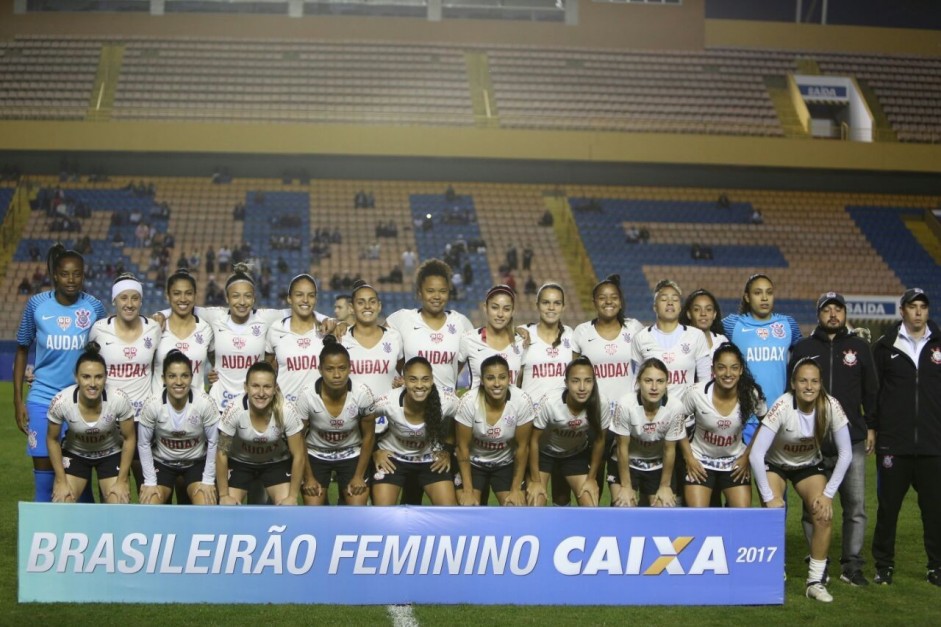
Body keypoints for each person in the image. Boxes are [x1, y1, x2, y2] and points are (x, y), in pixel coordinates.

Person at [790, 292, 878, 586]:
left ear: (844, 313)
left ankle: (852, 565)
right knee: (812, 506)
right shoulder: (803, 347)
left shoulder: (859, 347)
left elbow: (871, 391)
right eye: (826, 309)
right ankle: (820, 561)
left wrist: (872, 427)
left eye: (837, 309)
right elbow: (792, 392)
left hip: (851, 439)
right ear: (818, 314)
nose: (832, 314)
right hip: (811, 440)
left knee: (855, 506)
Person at [749, 358, 852, 603]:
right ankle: (774, 571)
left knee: (823, 514)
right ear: (793, 384)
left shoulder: (830, 405)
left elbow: (846, 453)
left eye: (814, 381)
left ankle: (814, 582)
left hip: (807, 465)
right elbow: (756, 454)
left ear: (821, 384)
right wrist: (768, 497)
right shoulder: (783, 405)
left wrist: (828, 495)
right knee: (773, 512)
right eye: (803, 381)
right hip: (775, 465)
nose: (809, 386)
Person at [14, 244, 107, 501]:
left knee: (80, 475)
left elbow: (105, 350)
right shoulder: (37, 305)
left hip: (82, 402)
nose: (71, 280)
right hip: (43, 398)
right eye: (65, 274)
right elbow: (22, 348)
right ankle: (40, 539)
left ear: (84, 275)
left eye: (77, 274)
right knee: (44, 476)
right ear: (55, 274)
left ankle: (85, 536)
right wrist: (18, 399)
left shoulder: (94, 307)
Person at [870, 288, 941, 587]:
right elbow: (873, 393)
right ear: (902, 311)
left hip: (933, 443)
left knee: (935, 511)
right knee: (888, 510)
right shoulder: (885, 346)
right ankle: (883, 566)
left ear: (927, 311)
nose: (918, 312)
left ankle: (936, 568)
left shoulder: (939, 344)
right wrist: (872, 427)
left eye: (922, 307)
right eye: (912, 307)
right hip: (893, 444)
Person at [46, 344, 137, 503]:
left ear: (106, 377)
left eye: (98, 377)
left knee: (119, 502)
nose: (93, 383)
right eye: (86, 376)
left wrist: (122, 480)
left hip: (110, 453)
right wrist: (61, 481)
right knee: (62, 500)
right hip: (76, 453)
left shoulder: (118, 399)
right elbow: (52, 439)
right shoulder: (61, 402)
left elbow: (129, 438)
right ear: (76, 377)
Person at [293, 337, 377, 506]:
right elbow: (299, 438)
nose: (337, 375)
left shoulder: (362, 394)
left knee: (357, 506)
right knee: (313, 506)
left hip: (351, 452)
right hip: (316, 453)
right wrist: (308, 477)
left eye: (342, 368)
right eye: (330, 369)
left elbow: (369, 436)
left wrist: (359, 476)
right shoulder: (307, 395)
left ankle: (343, 501)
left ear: (350, 368)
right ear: (320, 370)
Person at [681, 342, 766, 507]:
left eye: (734, 367)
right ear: (713, 371)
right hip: (700, 461)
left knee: (741, 516)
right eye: (722, 367)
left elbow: (767, 423)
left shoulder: (750, 393)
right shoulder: (696, 393)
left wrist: (747, 455)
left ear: (741, 370)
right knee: (698, 517)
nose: (728, 373)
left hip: (734, 463)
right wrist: (689, 458)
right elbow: (676, 423)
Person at [370, 357, 459, 506]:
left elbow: (464, 419)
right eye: (412, 379)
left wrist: (447, 450)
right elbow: (361, 419)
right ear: (403, 380)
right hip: (393, 457)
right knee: (382, 512)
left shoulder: (447, 401)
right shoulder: (388, 401)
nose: (419, 385)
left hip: (430, 458)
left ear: (432, 380)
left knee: (449, 511)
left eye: (425, 379)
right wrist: (375, 451)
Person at [723, 273, 802, 443]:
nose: (764, 298)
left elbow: (804, 354)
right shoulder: (733, 324)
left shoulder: (788, 324)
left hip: (779, 414)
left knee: (773, 469)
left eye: (769, 292)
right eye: (758, 293)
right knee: (743, 468)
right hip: (743, 415)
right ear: (747, 297)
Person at [216, 361, 306, 505]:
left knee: (286, 507)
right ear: (246, 387)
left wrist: (292, 497)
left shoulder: (286, 410)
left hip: (275, 463)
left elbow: (299, 455)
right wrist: (224, 495)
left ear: (275, 388)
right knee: (229, 507)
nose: (261, 393)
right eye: (255, 386)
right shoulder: (233, 410)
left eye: (267, 387)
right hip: (240, 463)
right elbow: (221, 453)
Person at [137, 350, 220, 505]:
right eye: (172, 376)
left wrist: (208, 480)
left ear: (191, 377)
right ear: (163, 379)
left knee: (206, 504)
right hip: (163, 463)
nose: (179, 381)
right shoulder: (152, 404)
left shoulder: (204, 403)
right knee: (149, 503)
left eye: (184, 375)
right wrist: (150, 482)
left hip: (195, 463)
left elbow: (214, 442)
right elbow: (143, 443)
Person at [527, 357, 611, 507]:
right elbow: (533, 440)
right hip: (544, 454)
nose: (582, 387)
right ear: (566, 383)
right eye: (575, 381)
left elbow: (600, 440)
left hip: (575, 454)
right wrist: (535, 481)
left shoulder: (601, 403)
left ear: (594, 382)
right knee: (535, 503)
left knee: (591, 504)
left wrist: (591, 479)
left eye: (588, 381)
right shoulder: (550, 402)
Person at [385, 259, 474, 396]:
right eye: (430, 291)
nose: (437, 296)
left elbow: (465, 361)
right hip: (411, 404)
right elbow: (375, 340)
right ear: (420, 292)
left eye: (443, 291)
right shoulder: (402, 319)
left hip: (447, 408)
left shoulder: (461, 323)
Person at [455, 355, 535, 506]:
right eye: (490, 378)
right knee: (468, 509)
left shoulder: (522, 401)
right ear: (482, 380)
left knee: (516, 510)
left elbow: (522, 447)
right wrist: (467, 490)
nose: (497, 383)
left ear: (509, 378)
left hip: (505, 463)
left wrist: (516, 488)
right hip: (474, 464)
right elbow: (462, 448)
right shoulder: (468, 402)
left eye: (502, 377)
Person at [610, 358, 685, 507]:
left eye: (660, 381)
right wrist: (626, 486)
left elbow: (669, 449)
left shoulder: (675, 407)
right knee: (624, 507)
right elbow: (621, 448)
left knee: (663, 509)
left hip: (658, 464)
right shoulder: (625, 404)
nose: (654, 387)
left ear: (667, 383)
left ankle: (649, 497)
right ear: (638, 382)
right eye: (648, 381)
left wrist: (665, 486)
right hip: (628, 462)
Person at [89, 274, 161, 420]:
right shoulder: (99, 329)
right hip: (108, 415)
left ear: (141, 301)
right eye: (123, 298)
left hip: (143, 417)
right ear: (114, 300)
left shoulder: (154, 328)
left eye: (135, 298)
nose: (129, 304)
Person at [341, 281, 404, 435]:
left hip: (389, 427)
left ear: (379, 306)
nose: (367, 306)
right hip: (352, 426)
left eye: (372, 302)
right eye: (361, 302)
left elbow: (402, 370)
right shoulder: (341, 338)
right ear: (351, 308)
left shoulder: (394, 337)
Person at [572, 274, 644, 400]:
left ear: (620, 302)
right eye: (602, 298)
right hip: (595, 410)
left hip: (628, 410)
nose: (609, 301)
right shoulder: (581, 331)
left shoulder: (634, 327)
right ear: (594, 303)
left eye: (614, 297)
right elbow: (573, 373)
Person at [152, 270, 214, 396]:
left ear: (195, 295)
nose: (183, 299)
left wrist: (216, 376)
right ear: (168, 295)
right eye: (176, 293)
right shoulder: (155, 327)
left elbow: (219, 365)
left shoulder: (206, 329)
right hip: (160, 409)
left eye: (188, 293)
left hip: (196, 409)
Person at [265, 274, 325, 404]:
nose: (305, 300)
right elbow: (266, 365)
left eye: (311, 295)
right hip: (285, 411)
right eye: (299, 295)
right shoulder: (276, 329)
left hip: (319, 412)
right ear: (289, 299)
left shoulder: (327, 330)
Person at [517, 283, 575, 405]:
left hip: (562, 416)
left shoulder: (571, 335)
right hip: (530, 417)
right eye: (545, 302)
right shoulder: (523, 335)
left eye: (557, 303)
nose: (551, 308)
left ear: (563, 307)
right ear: (537, 305)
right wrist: (512, 329)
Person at [459, 284, 523, 388]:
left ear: (513, 311)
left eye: (506, 309)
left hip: (513, 404)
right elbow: (451, 376)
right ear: (485, 307)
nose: (500, 314)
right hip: (478, 404)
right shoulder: (469, 339)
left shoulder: (522, 341)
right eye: (494, 307)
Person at [680, 288, 729, 356]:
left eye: (708, 309)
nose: (703, 313)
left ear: (714, 314)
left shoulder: (722, 341)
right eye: (697, 309)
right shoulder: (680, 341)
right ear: (689, 314)